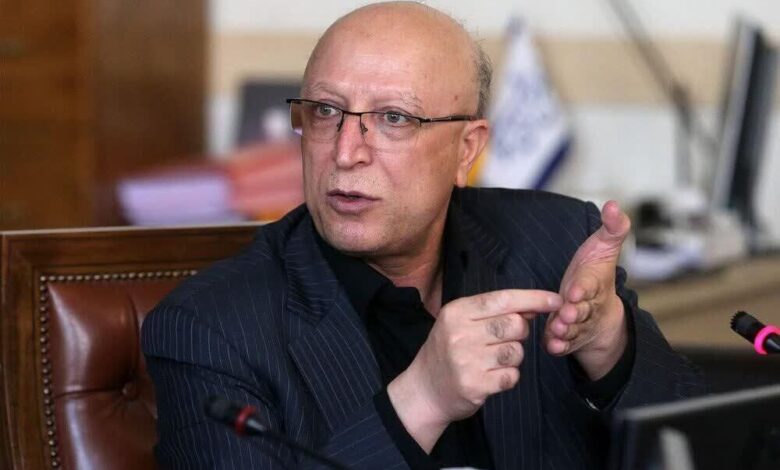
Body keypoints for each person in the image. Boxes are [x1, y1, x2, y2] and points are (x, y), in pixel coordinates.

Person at [141, 2, 704, 468]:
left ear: (467, 149)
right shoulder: (209, 328)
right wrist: (421, 402)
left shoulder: (554, 244)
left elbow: (707, 448)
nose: (346, 152)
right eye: (326, 111)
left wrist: (609, 344)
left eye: (393, 118)